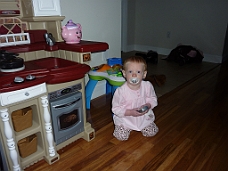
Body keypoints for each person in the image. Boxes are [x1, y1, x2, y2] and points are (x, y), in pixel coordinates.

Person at [112, 56, 159, 141]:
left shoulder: (147, 86)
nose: (134, 75)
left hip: (144, 117)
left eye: (138, 72)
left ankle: (144, 125)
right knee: (121, 136)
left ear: (144, 74)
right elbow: (116, 109)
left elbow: (153, 98)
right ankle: (124, 127)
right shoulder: (121, 91)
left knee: (152, 132)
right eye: (130, 71)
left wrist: (148, 105)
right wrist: (130, 112)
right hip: (126, 119)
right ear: (124, 73)